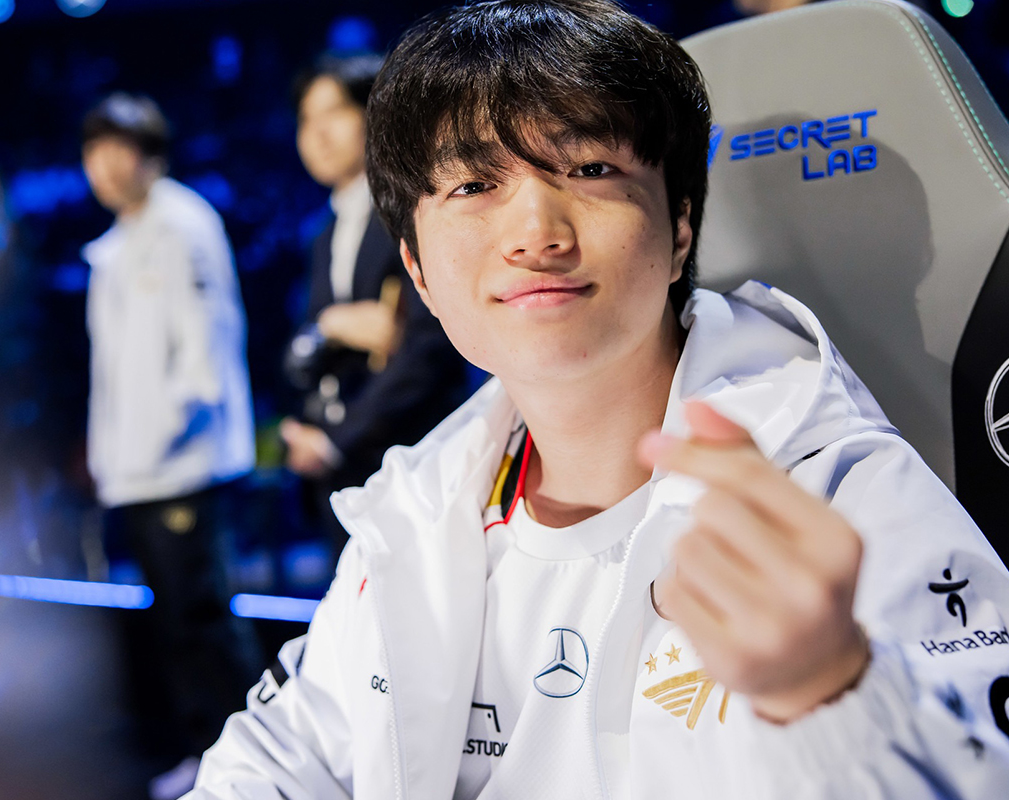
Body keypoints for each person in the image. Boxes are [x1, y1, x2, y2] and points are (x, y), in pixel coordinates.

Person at [187, 2, 1009, 797]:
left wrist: (836, 695)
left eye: (590, 169)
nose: (535, 233)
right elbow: (278, 759)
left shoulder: (831, 491)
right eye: (473, 185)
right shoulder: (414, 509)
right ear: (418, 272)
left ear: (680, 229)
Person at [79, 93, 261, 800]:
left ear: (150, 156)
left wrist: (163, 434)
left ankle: (251, 763)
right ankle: (205, 751)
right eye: (92, 152)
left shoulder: (183, 223)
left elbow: (204, 349)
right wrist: (112, 458)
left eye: (117, 150)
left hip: (185, 465)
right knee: (177, 623)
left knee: (206, 620)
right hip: (137, 471)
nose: (102, 167)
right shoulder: (118, 242)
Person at [281, 53, 471, 557]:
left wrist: (336, 442)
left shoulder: (414, 212)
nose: (318, 133)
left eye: (334, 113)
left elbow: (427, 353)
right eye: (306, 119)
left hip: (411, 460)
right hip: (339, 470)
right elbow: (299, 350)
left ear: (374, 115)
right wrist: (331, 326)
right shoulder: (323, 235)